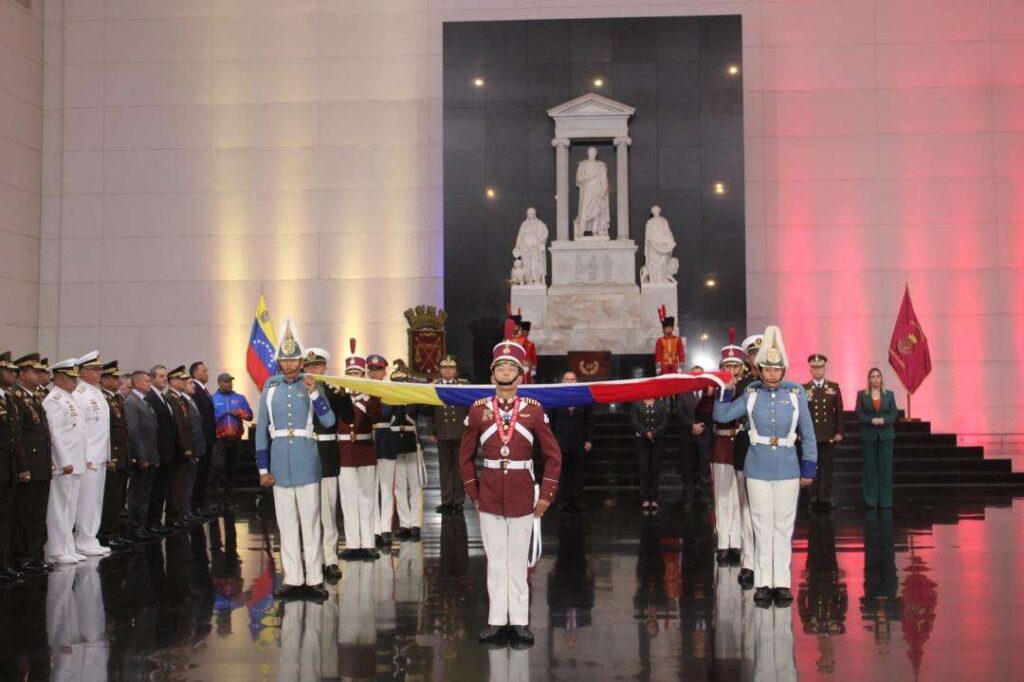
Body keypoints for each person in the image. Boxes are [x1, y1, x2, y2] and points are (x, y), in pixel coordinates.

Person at [460, 340, 561, 646]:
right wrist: (473, 492)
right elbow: (464, 456)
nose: (505, 372)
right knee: (495, 560)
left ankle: (518, 621)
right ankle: (495, 621)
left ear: (520, 377)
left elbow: (554, 455)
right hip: (488, 493)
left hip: (521, 493)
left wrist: (545, 495)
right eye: (500, 368)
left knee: (518, 561)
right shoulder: (478, 411)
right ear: (492, 376)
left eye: (511, 368)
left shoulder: (533, 410)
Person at [713, 326, 817, 607]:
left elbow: (808, 433)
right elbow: (721, 415)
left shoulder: (796, 395)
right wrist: (725, 389)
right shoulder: (752, 394)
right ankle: (763, 582)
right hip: (757, 468)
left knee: (783, 527)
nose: (771, 374)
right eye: (767, 369)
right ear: (760, 370)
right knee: (760, 526)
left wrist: (809, 468)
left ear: (783, 370)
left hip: (787, 468)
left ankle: (781, 582)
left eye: (776, 369)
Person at [255, 320, 336, 601]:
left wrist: (315, 392)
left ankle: (314, 579)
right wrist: (263, 468)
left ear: (301, 361)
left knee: (311, 523)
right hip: (279, 465)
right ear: (278, 361)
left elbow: (329, 420)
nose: (289, 364)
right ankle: (292, 578)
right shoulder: (271, 387)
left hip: (307, 463)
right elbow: (262, 430)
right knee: (286, 524)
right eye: (284, 359)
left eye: (293, 359)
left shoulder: (311, 385)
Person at [8, 354, 53, 575]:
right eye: (34, 371)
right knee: (25, 514)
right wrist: (24, 466)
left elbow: (43, 434)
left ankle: (35, 555)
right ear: (23, 373)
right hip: (30, 465)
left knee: (37, 513)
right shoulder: (16, 397)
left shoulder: (34, 397)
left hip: (41, 464)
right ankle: (24, 556)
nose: (39, 375)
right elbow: (19, 438)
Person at [337, 342, 380, 561]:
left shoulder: (370, 396)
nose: (353, 377)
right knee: (348, 500)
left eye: (357, 373)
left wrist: (370, 395)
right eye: (350, 373)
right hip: (344, 452)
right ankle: (353, 543)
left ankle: (369, 542)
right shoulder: (339, 397)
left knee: (367, 498)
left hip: (364, 450)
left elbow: (377, 417)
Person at [43, 358, 88, 564]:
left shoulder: (69, 398)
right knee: (59, 508)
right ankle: (56, 549)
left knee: (70, 507)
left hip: (76, 462)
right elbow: (55, 435)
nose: (75, 382)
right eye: (71, 378)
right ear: (59, 378)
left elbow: (79, 433)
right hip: (64, 464)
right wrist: (63, 461)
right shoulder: (54, 400)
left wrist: (83, 459)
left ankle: (68, 546)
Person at [303, 347, 342, 581]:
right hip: (306, 454)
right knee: (308, 512)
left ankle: (331, 559)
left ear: (324, 368)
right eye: (309, 367)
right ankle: (312, 558)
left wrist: (343, 395)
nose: (313, 370)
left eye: (317, 366)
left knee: (327, 510)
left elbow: (341, 418)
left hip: (326, 453)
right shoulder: (297, 391)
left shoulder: (332, 391)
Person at [711, 335, 749, 569]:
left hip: (743, 447)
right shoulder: (714, 389)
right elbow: (708, 415)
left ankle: (739, 542)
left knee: (741, 498)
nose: (731, 369)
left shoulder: (748, 388)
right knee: (723, 497)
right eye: (727, 365)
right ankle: (724, 543)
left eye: (735, 365)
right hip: (722, 447)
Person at [71, 352, 112, 556]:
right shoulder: (79, 394)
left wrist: (107, 453)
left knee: (95, 499)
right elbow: (79, 430)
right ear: (84, 372)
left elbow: (103, 429)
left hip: (99, 456)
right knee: (86, 500)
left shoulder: (96, 393)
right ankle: (82, 539)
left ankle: (90, 537)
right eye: (95, 370)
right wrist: (83, 456)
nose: (99, 373)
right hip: (87, 458)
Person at [546, 370, 593, 514]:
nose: (570, 382)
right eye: (567, 379)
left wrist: (589, 440)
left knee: (578, 474)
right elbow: (551, 423)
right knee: (564, 475)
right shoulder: (556, 399)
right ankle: (564, 501)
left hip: (579, 443)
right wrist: (552, 442)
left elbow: (590, 421)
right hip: (561, 443)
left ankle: (577, 501)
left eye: (572, 379)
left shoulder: (584, 398)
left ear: (577, 382)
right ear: (562, 382)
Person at [98, 360, 133, 550]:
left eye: (117, 377)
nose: (117, 380)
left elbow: (123, 431)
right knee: (109, 499)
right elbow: (105, 432)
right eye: (112, 377)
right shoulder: (103, 399)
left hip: (122, 455)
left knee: (119, 497)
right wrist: (110, 455)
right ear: (103, 380)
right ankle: (106, 533)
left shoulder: (117, 399)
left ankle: (114, 531)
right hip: (113, 455)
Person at [388, 364, 424, 541]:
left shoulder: (412, 398)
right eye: (396, 382)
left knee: (415, 486)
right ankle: (404, 524)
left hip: (411, 441)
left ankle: (416, 524)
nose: (399, 384)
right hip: (394, 442)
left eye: (402, 382)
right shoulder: (389, 398)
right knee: (399, 487)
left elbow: (413, 413)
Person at [804, 354, 844, 510]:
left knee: (827, 467)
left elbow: (839, 412)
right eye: (814, 367)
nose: (817, 370)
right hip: (811, 435)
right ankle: (813, 497)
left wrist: (839, 431)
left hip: (828, 435)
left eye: (819, 367)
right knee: (811, 466)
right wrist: (800, 432)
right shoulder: (805, 389)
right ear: (810, 369)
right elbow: (801, 413)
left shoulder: (833, 388)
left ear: (824, 368)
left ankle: (825, 497)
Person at [366, 354, 397, 548]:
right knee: (371, 488)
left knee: (386, 488)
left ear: (385, 371)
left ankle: (385, 528)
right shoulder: (363, 390)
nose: (375, 372)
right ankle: (375, 528)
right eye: (372, 369)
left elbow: (387, 413)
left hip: (386, 438)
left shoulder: (390, 390)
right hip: (369, 440)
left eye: (378, 369)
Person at [855, 368, 898, 509]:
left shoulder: (889, 395)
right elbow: (859, 414)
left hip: (886, 436)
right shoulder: (862, 395)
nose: (875, 379)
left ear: (881, 378)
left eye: (878, 376)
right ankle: (871, 501)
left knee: (885, 470)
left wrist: (883, 420)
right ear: (869, 379)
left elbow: (894, 413)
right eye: (872, 377)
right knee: (870, 469)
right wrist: (871, 420)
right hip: (869, 436)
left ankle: (885, 502)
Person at [429, 355, 467, 515]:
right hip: (443, 431)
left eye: (451, 368)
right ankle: (446, 501)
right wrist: (432, 431)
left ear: (456, 371)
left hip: (459, 431)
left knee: (459, 468)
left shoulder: (463, 387)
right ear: (440, 370)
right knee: (444, 468)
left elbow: (469, 409)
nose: (447, 370)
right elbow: (431, 411)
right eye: (444, 367)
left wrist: (469, 431)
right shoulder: (434, 387)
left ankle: (458, 501)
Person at [124, 370, 159, 540]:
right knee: (137, 493)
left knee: (146, 492)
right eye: (146, 381)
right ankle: (134, 526)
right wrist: (142, 457)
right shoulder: (132, 401)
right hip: (141, 456)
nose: (149, 383)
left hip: (151, 454)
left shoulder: (144, 401)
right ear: (137, 383)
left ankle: (142, 524)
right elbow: (133, 431)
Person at [211, 372, 252, 515]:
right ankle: (215, 501)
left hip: (235, 439)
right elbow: (208, 419)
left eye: (230, 382)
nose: (229, 384)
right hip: (219, 440)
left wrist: (240, 413)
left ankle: (229, 500)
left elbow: (250, 416)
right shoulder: (213, 399)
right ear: (219, 383)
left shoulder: (239, 398)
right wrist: (224, 414)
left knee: (232, 470)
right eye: (226, 382)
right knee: (217, 468)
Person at [145, 365, 176, 534]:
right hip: (157, 452)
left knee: (161, 490)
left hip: (166, 453)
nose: (165, 379)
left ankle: (156, 520)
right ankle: (151, 522)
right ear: (152, 379)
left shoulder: (163, 398)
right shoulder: (150, 398)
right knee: (154, 490)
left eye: (166, 376)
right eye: (161, 376)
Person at [165, 366, 197, 527]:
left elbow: (188, 426)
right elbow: (178, 426)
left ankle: (179, 514)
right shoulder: (171, 398)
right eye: (183, 380)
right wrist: (185, 447)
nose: (186, 382)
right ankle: (173, 516)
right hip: (178, 450)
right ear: (174, 381)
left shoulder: (181, 399)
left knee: (181, 484)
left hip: (185, 449)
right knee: (175, 485)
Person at [0, 352, 23, 583]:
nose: (12, 375)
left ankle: (4, 562)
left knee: (6, 517)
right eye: (8, 371)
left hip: (8, 468)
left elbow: (15, 436)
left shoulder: (8, 398)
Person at [677, 364, 713, 496]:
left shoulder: (709, 392)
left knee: (704, 465)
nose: (697, 376)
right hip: (688, 434)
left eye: (699, 373)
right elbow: (680, 412)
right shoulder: (683, 392)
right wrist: (692, 425)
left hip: (705, 434)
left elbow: (712, 413)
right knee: (688, 465)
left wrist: (701, 427)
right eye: (694, 374)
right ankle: (689, 492)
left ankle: (705, 492)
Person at [188, 362, 217, 518]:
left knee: (205, 473)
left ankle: (199, 504)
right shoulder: (196, 390)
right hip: (202, 440)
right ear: (196, 373)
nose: (207, 373)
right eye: (204, 370)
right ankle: (195, 506)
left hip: (208, 439)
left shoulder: (204, 390)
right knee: (199, 475)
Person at [631, 394, 668, 512]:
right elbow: (634, 421)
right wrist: (646, 433)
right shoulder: (636, 403)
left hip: (658, 440)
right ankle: (645, 498)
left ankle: (654, 498)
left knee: (655, 469)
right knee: (644, 469)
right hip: (642, 440)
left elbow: (665, 421)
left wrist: (654, 433)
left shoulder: (661, 403)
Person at [180, 369, 208, 522]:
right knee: (186, 483)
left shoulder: (190, 401)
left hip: (197, 447)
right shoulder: (182, 402)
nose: (194, 386)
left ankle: (189, 509)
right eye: (190, 383)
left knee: (192, 481)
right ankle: (185, 511)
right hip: (190, 448)